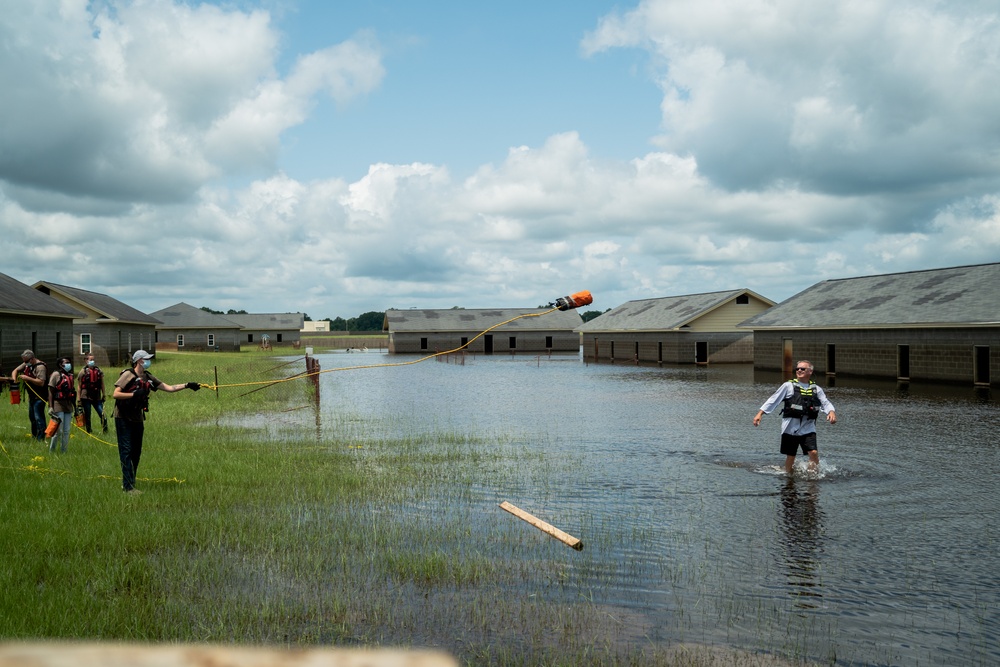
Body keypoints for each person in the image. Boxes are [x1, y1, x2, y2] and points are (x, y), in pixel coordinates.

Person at [112, 350, 200, 494]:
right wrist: (134, 394)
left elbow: (169, 388)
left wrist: (188, 385)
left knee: (136, 452)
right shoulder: (128, 375)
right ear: (139, 360)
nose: (148, 361)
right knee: (126, 451)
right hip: (123, 418)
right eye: (146, 359)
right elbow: (116, 394)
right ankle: (128, 487)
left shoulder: (148, 377)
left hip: (137, 418)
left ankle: (129, 482)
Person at [753, 360, 837, 475]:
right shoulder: (788, 386)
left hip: (808, 427)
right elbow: (773, 400)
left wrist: (831, 412)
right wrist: (760, 414)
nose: (799, 370)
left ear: (810, 371)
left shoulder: (816, 389)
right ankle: (788, 476)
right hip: (790, 427)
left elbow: (825, 403)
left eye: (803, 369)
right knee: (791, 456)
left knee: (813, 452)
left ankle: (813, 476)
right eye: (797, 369)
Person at [11, 350, 48, 441]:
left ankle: (41, 438)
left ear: (32, 359)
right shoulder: (27, 364)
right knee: (32, 418)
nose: (25, 363)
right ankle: (34, 436)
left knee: (38, 417)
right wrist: (14, 380)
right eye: (23, 361)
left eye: (26, 361)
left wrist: (27, 378)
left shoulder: (40, 367)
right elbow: (15, 370)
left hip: (40, 397)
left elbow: (41, 382)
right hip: (31, 397)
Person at [47, 357, 77, 453]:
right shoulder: (56, 375)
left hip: (68, 405)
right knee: (58, 430)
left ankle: (64, 451)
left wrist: (75, 407)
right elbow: (51, 392)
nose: (69, 364)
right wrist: (51, 407)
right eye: (66, 363)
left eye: (69, 362)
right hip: (58, 404)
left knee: (66, 431)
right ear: (61, 364)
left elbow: (73, 392)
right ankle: (52, 450)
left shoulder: (70, 376)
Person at [77, 353, 107, 433]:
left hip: (96, 396)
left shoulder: (98, 371)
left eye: (93, 359)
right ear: (86, 361)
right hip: (86, 396)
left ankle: (105, 430)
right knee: (88, 415)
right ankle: (89, 431)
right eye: (90, 360)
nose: (92, 361)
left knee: (103, 414)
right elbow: (79, 387)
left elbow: (102, 384)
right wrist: (79, 399)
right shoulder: (82, 372)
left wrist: (104, 395)